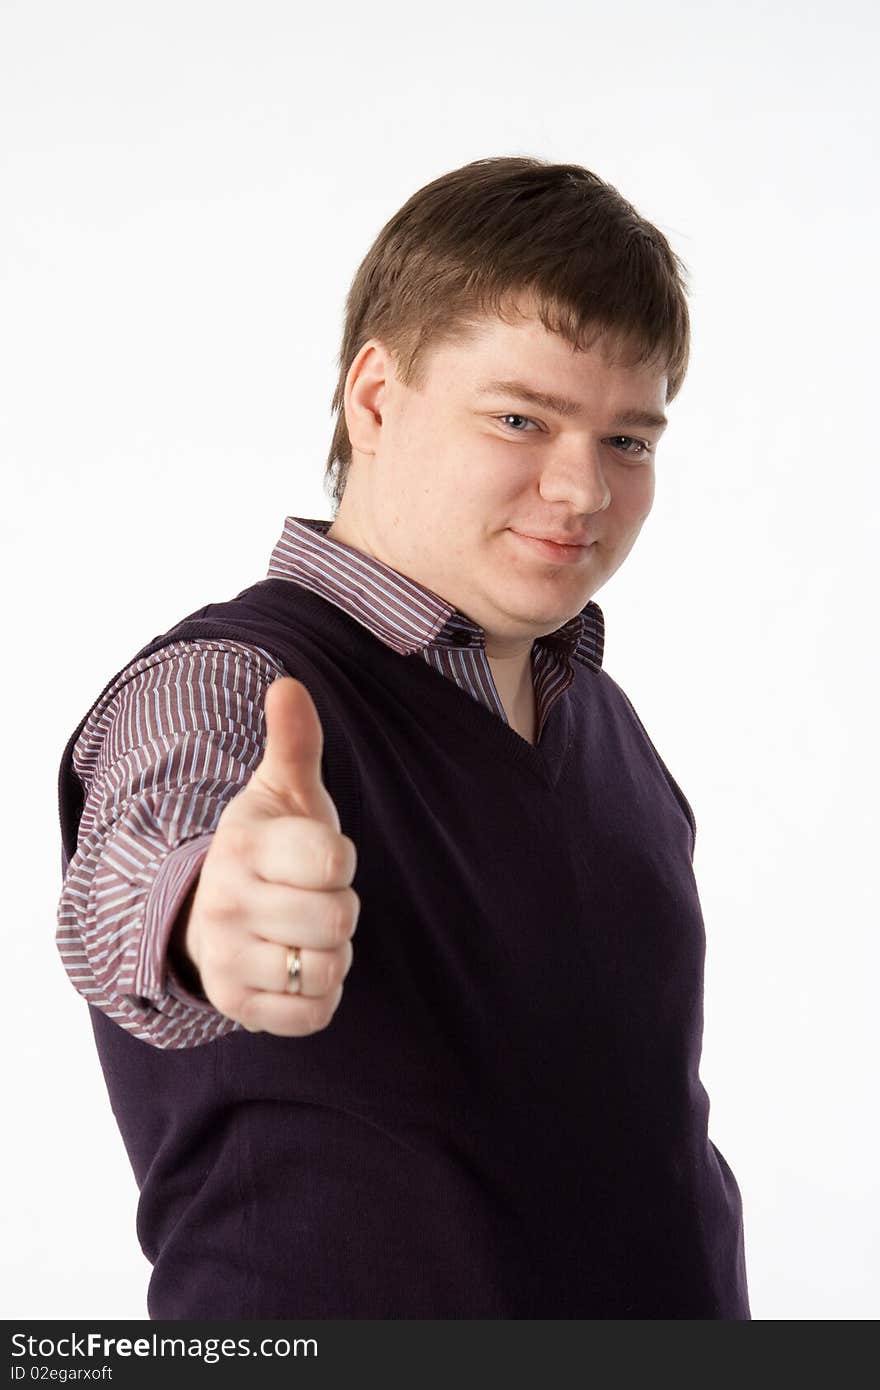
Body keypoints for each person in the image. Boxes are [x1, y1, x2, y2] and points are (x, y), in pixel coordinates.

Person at [56, 155, 751, 1319]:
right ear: (374, 399)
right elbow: (138, 870)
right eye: (522, 417)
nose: (581, 488)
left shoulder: (603, 716)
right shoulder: (232, 681)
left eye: (629, 441)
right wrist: (206, 912)